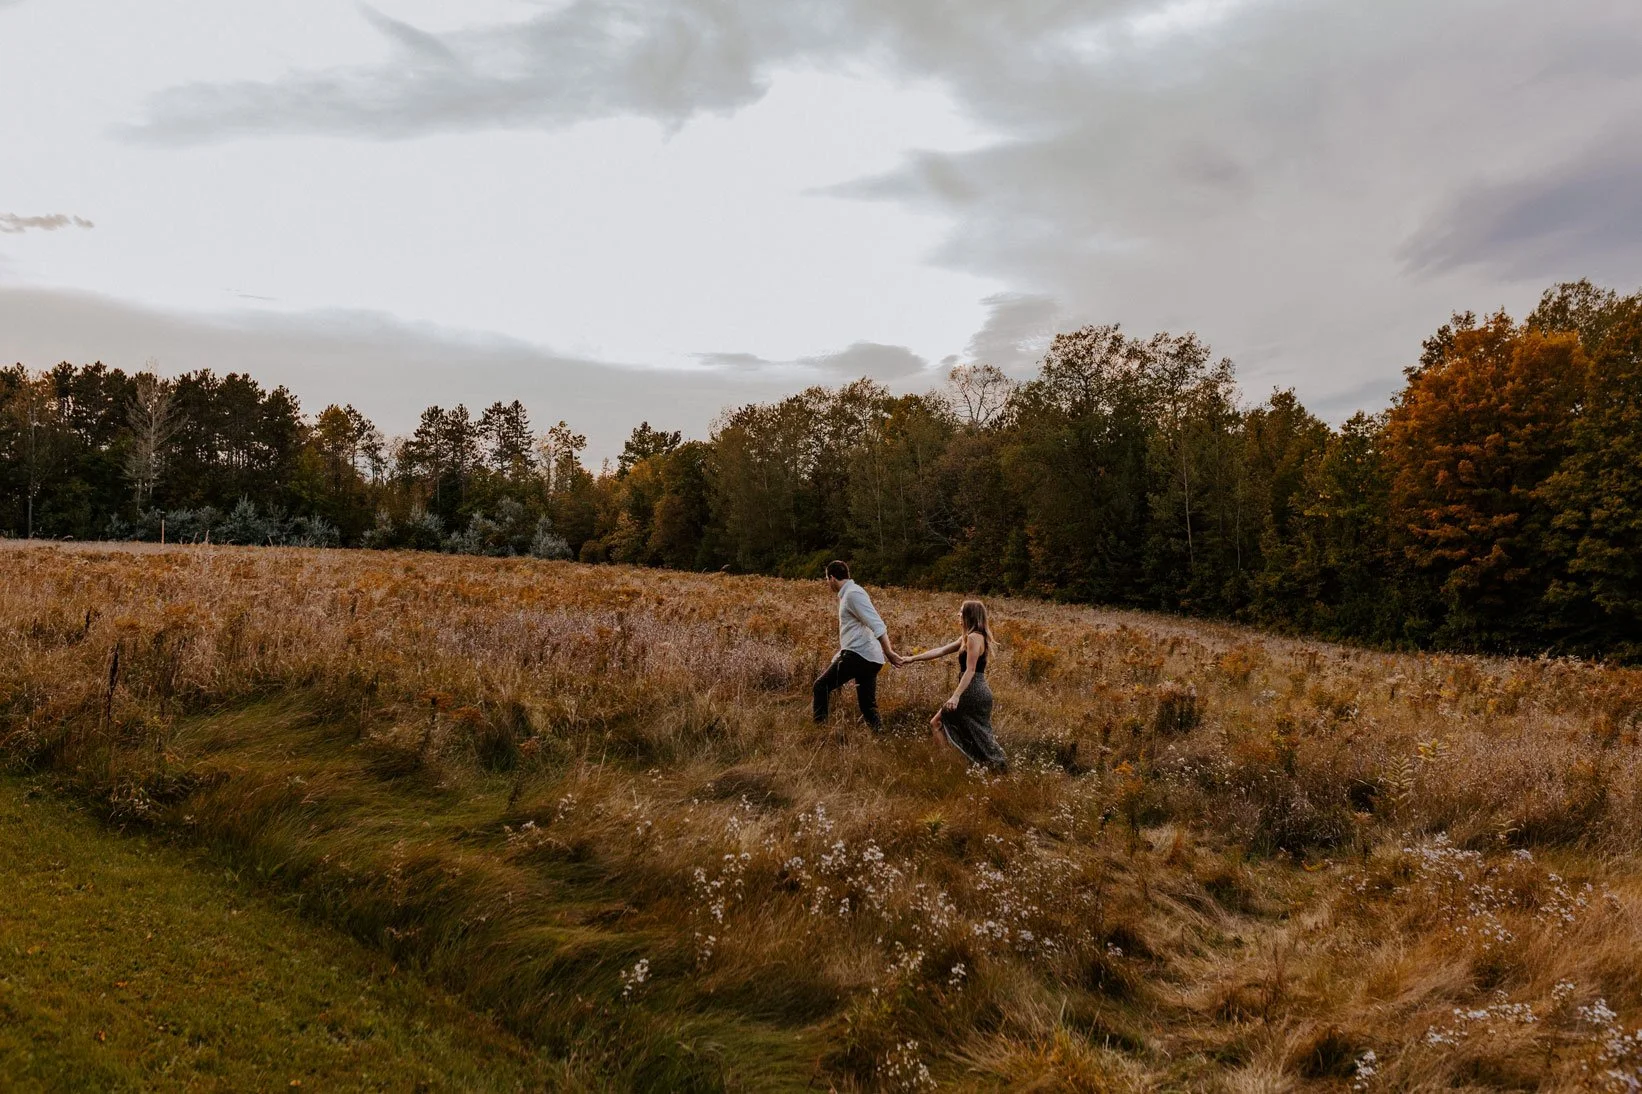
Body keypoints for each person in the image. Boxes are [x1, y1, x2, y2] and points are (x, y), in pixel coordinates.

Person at [899, 599, 1008, 771]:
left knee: (937, 723)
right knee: (978, 733)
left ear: (969, 615)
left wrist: (956, 696)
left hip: (972, 690)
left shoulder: (973, 638)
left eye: (961, 611)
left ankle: (948, 764)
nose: (958, 614)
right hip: (978, 690)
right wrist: (912, 659)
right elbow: (941, 650)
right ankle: (994, 765)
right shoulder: (971, 637)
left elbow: (970, 670)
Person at [813, 560, 903, 734]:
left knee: (820, 686)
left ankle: (820, 734)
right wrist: (839, 655)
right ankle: (881, 737)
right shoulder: (850, 594)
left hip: (859, 656)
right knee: (867, 707)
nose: (827, 583)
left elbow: (877, 624)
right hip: (867, 657)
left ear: (832, 578)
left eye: (826, 579)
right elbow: (857, 631)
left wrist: (889, 652)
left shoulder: (853, 594)